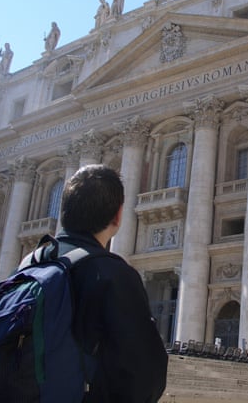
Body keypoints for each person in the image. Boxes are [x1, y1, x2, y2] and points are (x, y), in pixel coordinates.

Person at [52, 164, 168, 402]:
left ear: (64, 212)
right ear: (117, 216)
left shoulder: (25, 267)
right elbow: (145, 378)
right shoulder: (113, 274)